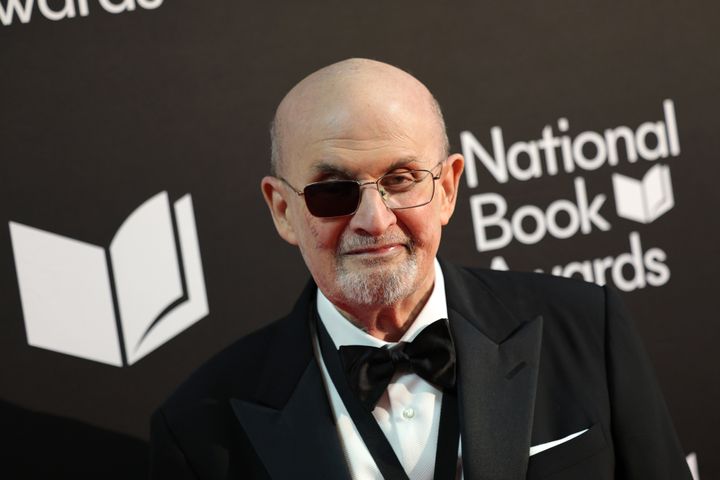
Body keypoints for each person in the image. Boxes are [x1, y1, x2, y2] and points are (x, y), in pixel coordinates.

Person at [150, 58, 692, 479]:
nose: (373, 220)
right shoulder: (200, 425)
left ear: (448, 188)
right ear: (284, 210)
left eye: (401, 179)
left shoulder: (584, 328)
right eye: (333, 191)